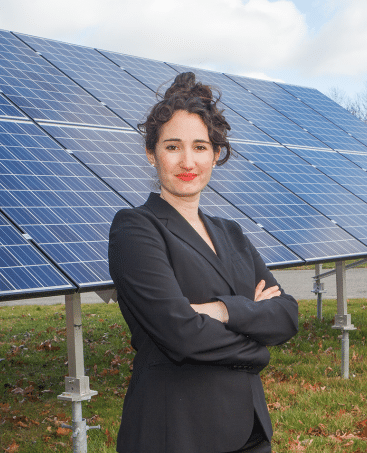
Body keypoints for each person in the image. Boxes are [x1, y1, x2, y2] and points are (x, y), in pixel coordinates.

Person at [108, 72, 298, 453]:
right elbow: (180, 334)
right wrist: (257, 345)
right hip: (177, 432)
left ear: (215, 154)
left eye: (200, 146)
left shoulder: (232, 233)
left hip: (250, 432)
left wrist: (221, 310)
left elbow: (286, 314)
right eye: (173, 146)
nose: (188, 161)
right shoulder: (135, 229)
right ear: (152, 153)